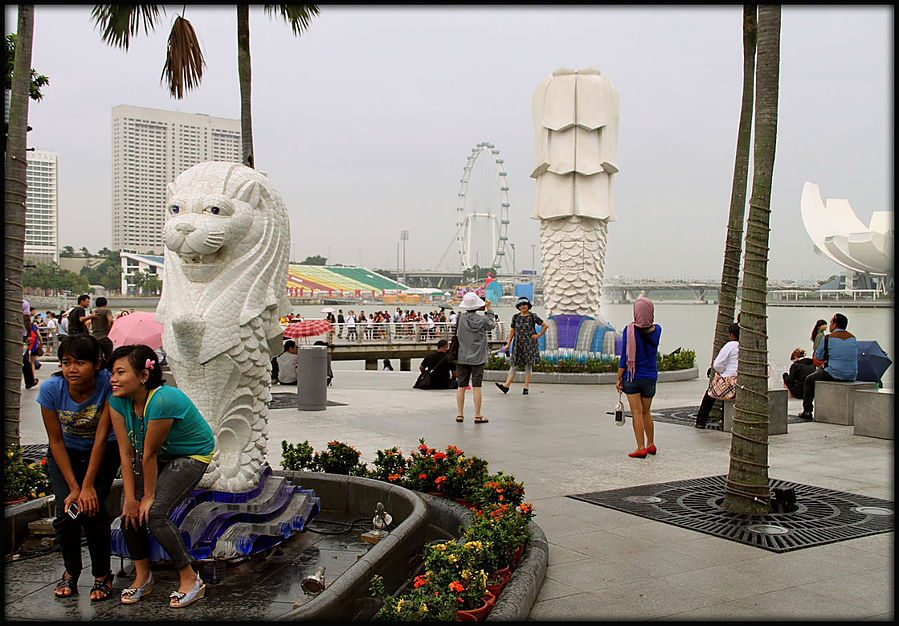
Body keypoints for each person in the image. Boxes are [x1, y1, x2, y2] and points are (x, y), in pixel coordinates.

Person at [106, 344, 214, 608]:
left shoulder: (163, 399)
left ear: (144, 375)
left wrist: (149, 496)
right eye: (112, 372)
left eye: (121, 372)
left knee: (154, 512)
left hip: (190, 454)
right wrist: (131, 498)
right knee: (128, 511)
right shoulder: (117, 401)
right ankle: (142, 576)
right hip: (153, 455)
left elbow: (149, 454)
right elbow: (126, 453)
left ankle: (190, 579)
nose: (113, 379)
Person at [36, 334, 121, 601]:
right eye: (66, 363)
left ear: (97, 364)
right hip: (66, 454)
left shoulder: (107, 384)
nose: (72, 369)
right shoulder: (51, 390)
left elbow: (101, 436)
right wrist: (74, 487)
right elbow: (56, 440)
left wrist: (87, 487)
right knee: (66, 515)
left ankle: (102, 574)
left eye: (80, 363)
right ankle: (71, 572)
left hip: (104, 451)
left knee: (94, 511)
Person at [616, 297, 661, 458]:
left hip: (632, 377)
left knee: (636, 412)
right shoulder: (657, 330)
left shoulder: (629, 331)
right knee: (646, 412)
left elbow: (624, 358)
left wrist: (618, 378)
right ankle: (651, 444)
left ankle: (640, 447)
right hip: (650, 377)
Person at [800, 313, 858, 420]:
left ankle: (807, 411)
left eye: (831, 322)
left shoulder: (828, 338)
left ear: (835, 325)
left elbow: (818, 357)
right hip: (852, 375)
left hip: (835, 373)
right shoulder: (852, 338)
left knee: (809, 379)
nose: (829, 325)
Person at [454, 292, 495, 423]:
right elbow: (491, 325)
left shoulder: (460, 318)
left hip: (462, 356)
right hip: (478, 357)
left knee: (461, 386)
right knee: (477, 386)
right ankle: (477, 415)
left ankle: (460, 414)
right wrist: (489, 309)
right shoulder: (482, 320)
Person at [495, 297, 547, 395]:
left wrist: (538, 335)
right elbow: (512, 331)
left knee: (528, 365)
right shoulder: (515, 317)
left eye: (524, 305)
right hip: (518, 343)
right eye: (520, 305)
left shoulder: (533, 316)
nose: (522, 307)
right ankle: (506, 385)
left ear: (528, 306)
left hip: (529, 344)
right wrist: (508, 343)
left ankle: (526, 387)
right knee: (514, 364)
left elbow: (545, 325)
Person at [693, 323, 739, 429]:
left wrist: (721, 372)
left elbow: (717, 364)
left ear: (731, 335)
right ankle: (723, 419)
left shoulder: (730, 345)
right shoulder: (746, 346)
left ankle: (701, 421)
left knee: (710, 394)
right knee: (724, 394)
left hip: (729, 380)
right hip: (738, 380)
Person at [90, 297, 115, 362]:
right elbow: (111, 320)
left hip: (95, 337)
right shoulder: (107, 310)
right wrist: (110, 328)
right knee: (108, 357)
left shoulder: (94, 312)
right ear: (105, 303)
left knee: (98, 357)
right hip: (104, 337)